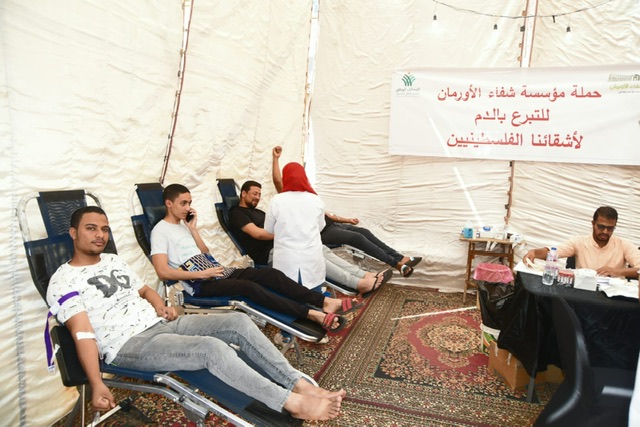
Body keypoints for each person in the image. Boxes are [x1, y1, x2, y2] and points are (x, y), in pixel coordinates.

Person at [46, 206, 344, 420]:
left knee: (238, 320)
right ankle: (290, 402)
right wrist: (97, 382)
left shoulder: (113, 261)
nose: (100, 235)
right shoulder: (64, 280)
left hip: (159, 324)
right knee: (211, 349)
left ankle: (297, 383)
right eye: (91, 228)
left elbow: (145, 290)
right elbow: (82, 333)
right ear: (73, 233)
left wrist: (159, 305)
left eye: (104, 229)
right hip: (128, 344)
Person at [150, 183, 355, 332]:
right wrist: (202, 274)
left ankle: (324, 302)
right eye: (183, 203)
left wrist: (193, 229)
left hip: (216, 271)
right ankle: (311, 314)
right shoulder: (160, 231)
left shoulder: (184, 226)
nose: (188, 208)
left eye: (189, 203)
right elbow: (162, 271)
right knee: (249, 288)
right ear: (169, 203)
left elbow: (206, 254)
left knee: (271, 275)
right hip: (200, 283)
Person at [272, 146, 423, 277]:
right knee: (357, 238)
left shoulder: (308, 196)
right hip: (322, 233)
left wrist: (346, 220)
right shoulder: (286, 198)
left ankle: (400, 258)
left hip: (332, 225)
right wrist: (276, 159)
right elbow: (277, 181)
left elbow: (326, 214)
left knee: (363, 231)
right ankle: (396, 264)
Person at [229, 180, 392, 297]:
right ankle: (357, 284)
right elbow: (257, 234)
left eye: (259, 194)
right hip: (271, 253)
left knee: (322, 249)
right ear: (243, 193)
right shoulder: (237, 213)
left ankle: (363, 275)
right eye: (254, 194)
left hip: (285, 244)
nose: (257, 197)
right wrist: (287, 233)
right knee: (313, 257)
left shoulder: (258, 212)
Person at [523, 206, 640, 278]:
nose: (605, 231)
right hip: (584, 294)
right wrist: (534, 252)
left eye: (610, 228)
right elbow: (555, 252)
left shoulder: (624, 245)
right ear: (593, 224)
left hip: (614, 300)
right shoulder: (579, 242)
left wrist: (617, 271)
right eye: (601, 227)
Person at [264, 162, 327, 291]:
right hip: (312, 258)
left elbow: (268, 229)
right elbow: (320, 227)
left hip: (286, 259)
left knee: (288, 296)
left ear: (285, 178)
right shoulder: (316, 200)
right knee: (314, 297)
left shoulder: (276, 200)